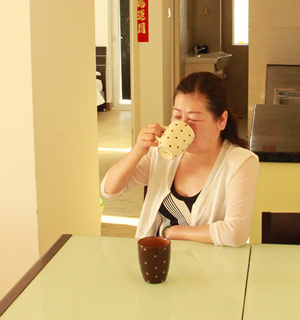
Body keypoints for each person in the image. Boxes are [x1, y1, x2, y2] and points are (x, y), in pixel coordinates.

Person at [101, 72, 259, 246]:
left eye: (194, 119)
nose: (183, 125)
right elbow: (109, 190)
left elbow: (235, 233)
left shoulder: (241, 162)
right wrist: (138, 150)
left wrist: (171, 232)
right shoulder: (161, 154)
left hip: (208, 261)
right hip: (158, 257)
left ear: (221, 120)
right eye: (177, 117)